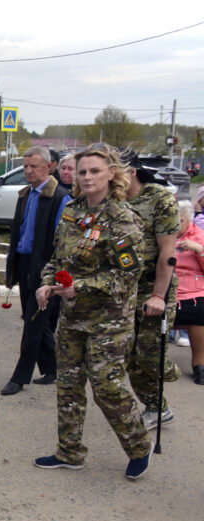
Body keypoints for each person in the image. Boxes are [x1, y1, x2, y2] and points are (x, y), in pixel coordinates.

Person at [33, 143, 152, 480]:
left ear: (112, 174)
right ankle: (69, 452)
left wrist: (79, 287)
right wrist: (46, 283)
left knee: (106, 386)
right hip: (73, 317)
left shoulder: (123, 218)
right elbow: (58, 259)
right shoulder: (72, 211)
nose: (87, 177)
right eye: (82, 171)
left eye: (94, 171)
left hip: (108, 321)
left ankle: (138, 446)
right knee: (68, 384)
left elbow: (127, 275)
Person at [1, 146, 70, 395]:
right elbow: (17, 236)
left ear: (49, 167)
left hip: (44, 269)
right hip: (24, 264)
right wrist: (12, 269)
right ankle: (52, 368)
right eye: (26, 166)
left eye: (34, 166)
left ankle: (19, 378)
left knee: (32, 323)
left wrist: (53, 278)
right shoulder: (25, 194)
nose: (28, 171)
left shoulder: (60, 197)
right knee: (35, 321)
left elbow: (62, 243)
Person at [121, 152, 181, 427]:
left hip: (154, 287)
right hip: (123, 288)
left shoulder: (158, 198)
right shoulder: (114, 199)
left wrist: (158, 295)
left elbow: (168, 252)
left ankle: (167, 368)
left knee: (148, 354)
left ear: (131, 172)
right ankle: (158, 408)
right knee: (130, 357)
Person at [174, 201, 204, 384]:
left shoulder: (200, 236)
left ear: (189, 220)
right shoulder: (164, 236)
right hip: (168, 289)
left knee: (200, 312)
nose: (176, 224)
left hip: (195, 291)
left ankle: (199, 365)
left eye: (180, 220)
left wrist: (199, 250)